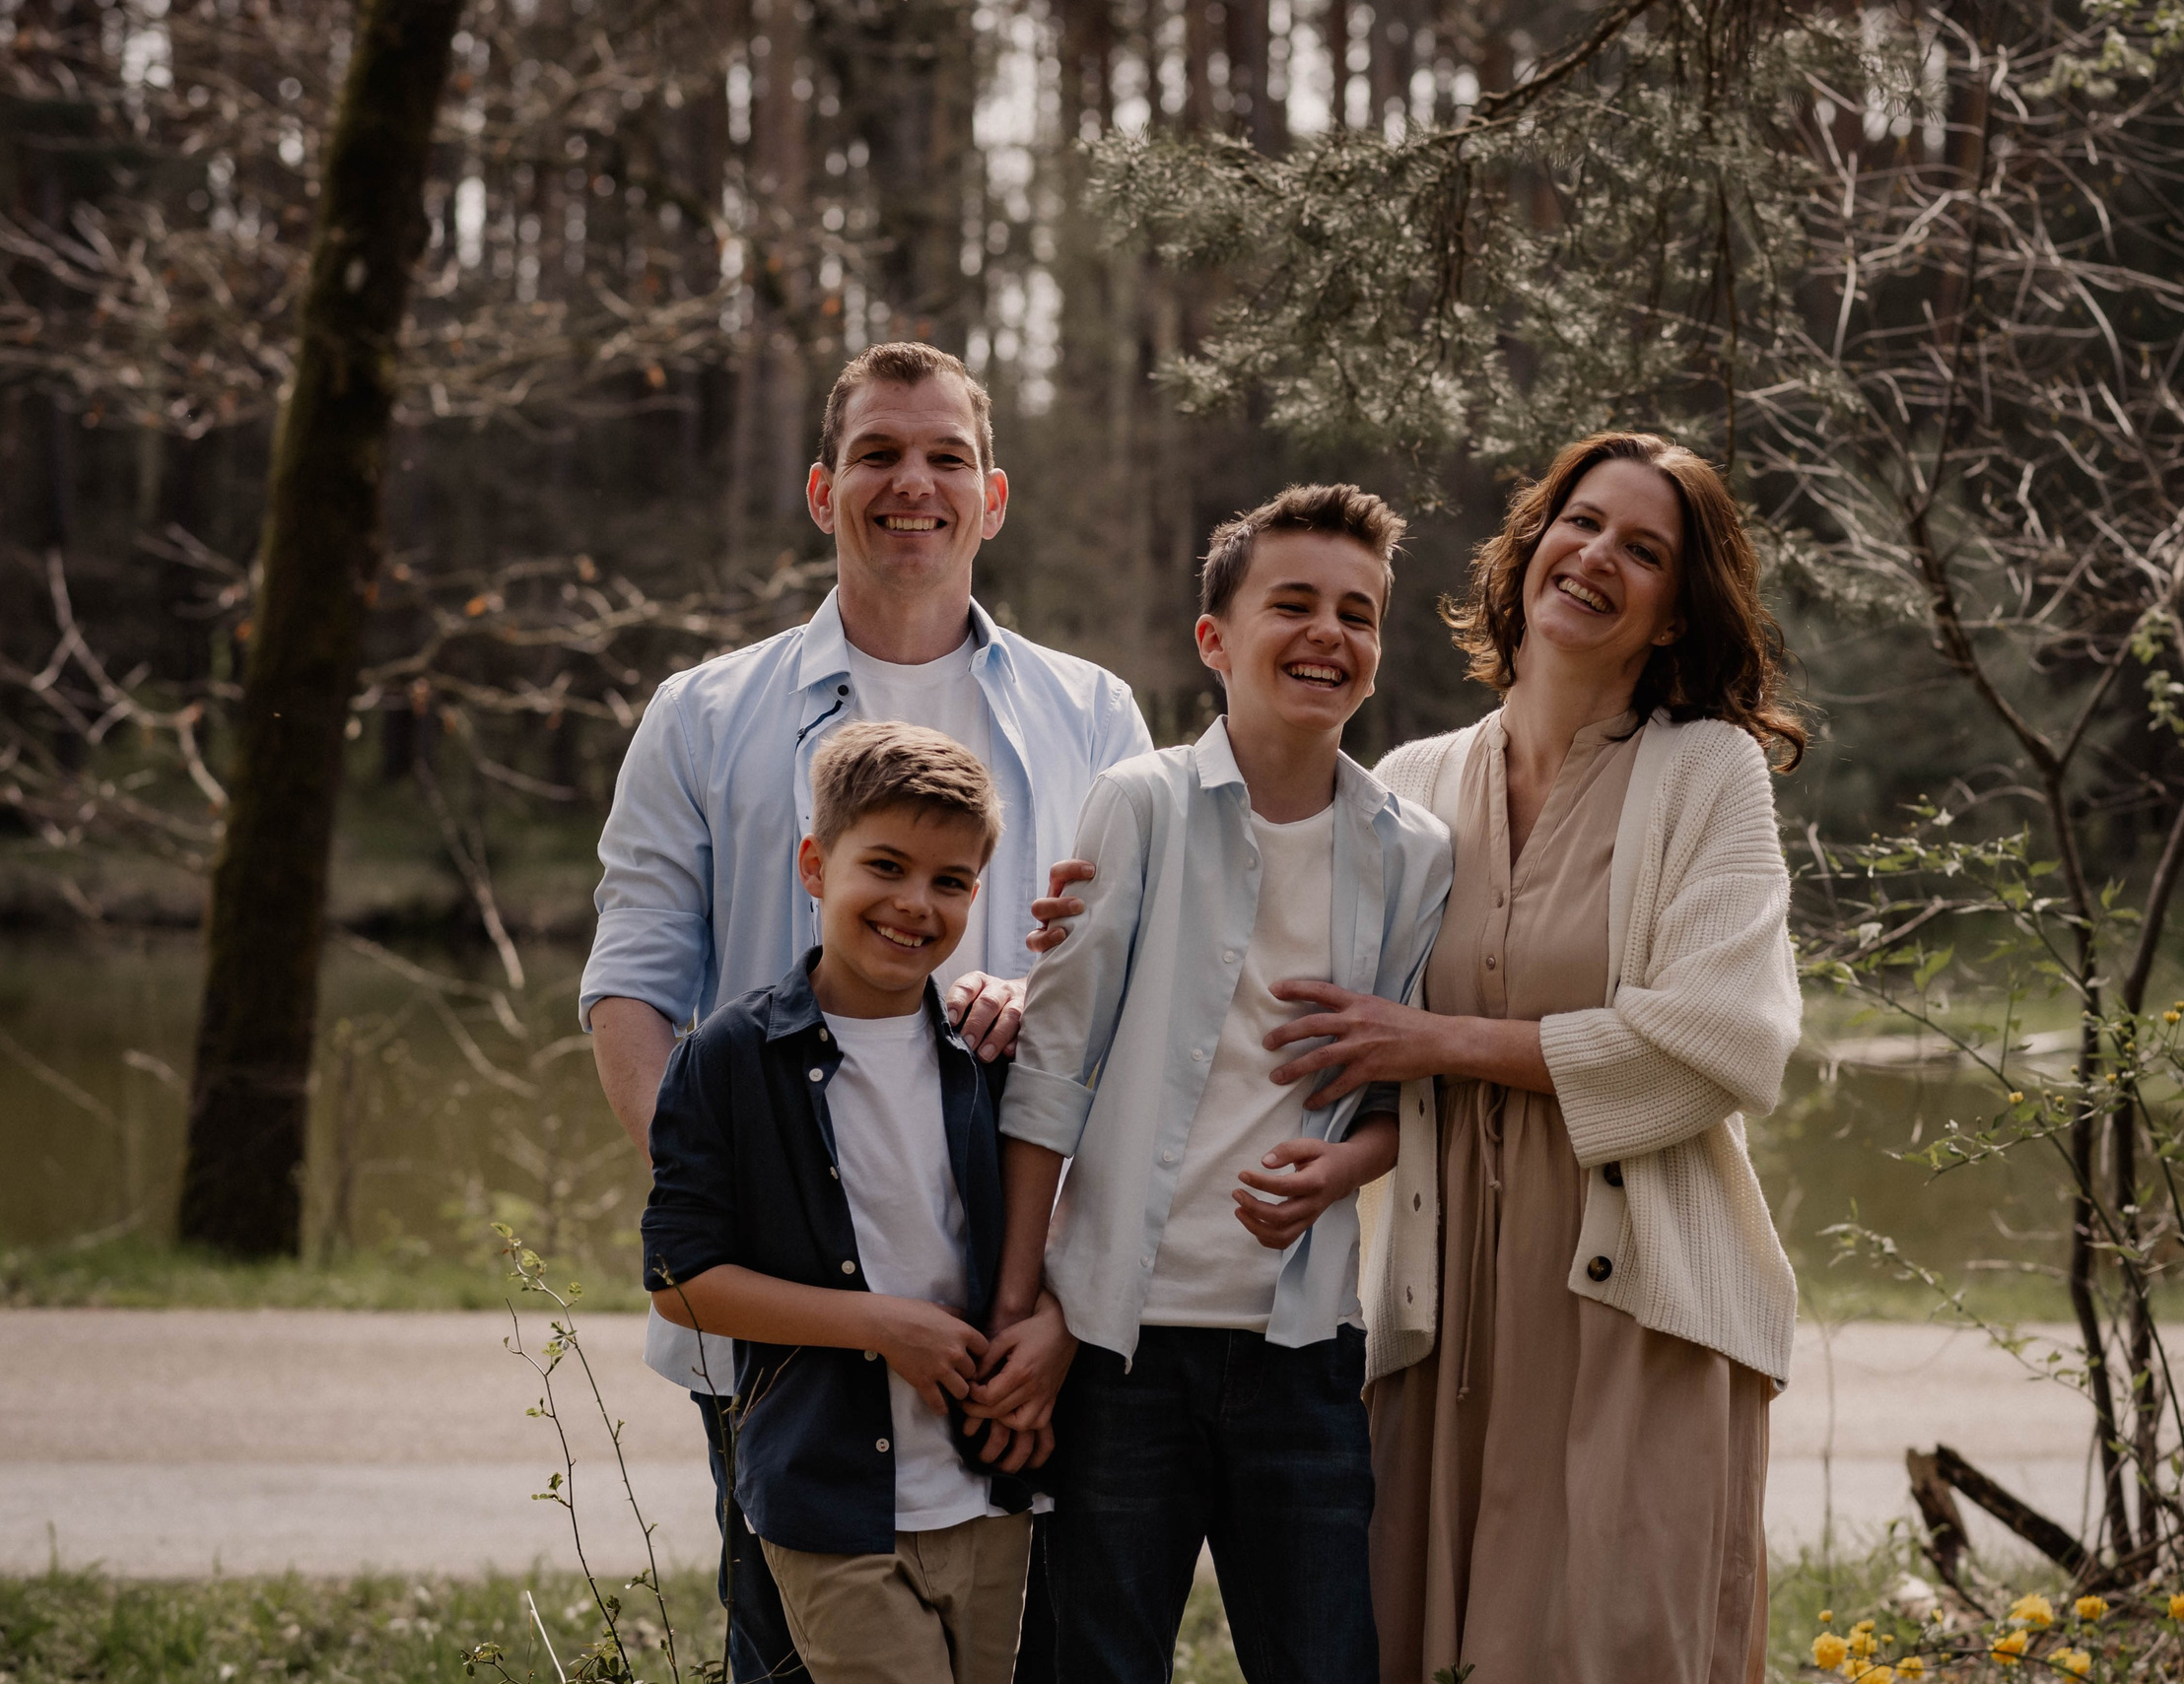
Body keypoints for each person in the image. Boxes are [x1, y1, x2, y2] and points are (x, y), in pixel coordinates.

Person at [580, 341, 1150, 1683]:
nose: (915, 483)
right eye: (883, 454)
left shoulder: (1096, 714)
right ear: (823, 486)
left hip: (1028, 1329)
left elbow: (1142, 1010)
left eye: (946, 455)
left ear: (992, 496)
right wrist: (747, 1238)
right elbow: (631, 989)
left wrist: (1067, 1298)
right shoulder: (703, 714)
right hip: (792, 1344)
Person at [1252, 433, 1809, 1684]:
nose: (1597, 555)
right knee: (1411, 1643)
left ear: (1675, 612)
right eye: (1581, 522)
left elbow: (1721, 1042)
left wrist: (1439, 1038)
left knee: (1614, 1644)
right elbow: (1292, 993)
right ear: (1532, 546)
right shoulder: (1406, 783)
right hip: (1436, 1307)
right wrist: (1065, 936)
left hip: (1638, 1307)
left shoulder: (1707, 774)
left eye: (1643, 548)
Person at [994, 484, 1454, 1684]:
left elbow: (1401, 1089)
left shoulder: (1413, 850)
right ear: (1215, 638)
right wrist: (1018, 1307)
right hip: (1114, 1348)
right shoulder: (1140, 803)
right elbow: (1052, 1065)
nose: (1326, 632)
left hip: (1302, 1351)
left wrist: (1345, 1166)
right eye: (1291, 603)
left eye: (1356, 612)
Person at [643, 722, 1072, 1684]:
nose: (915, 903)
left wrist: (1056, 1328)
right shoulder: (728, 1059)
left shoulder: (991, 1052)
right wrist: (884, 1326)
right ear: (813, 861)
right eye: (885, 864)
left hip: (996, 1489)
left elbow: (1063, 1221)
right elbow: (680, 1277)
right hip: (831, 1496)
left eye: (951, 880)